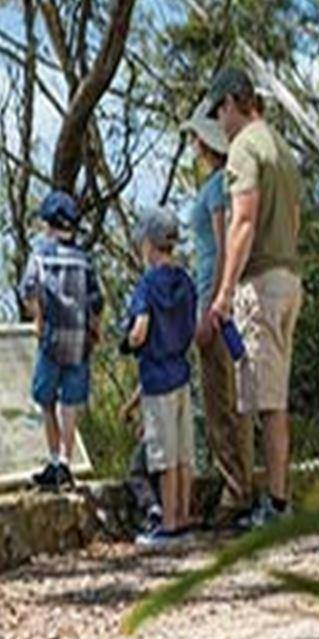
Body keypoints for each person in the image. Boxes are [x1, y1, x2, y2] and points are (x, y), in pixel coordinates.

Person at [201, 65, 303, 525]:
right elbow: (296, 220)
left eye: (218, 113)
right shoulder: (281, 148)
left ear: (229, 104)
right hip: (288, 280)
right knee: (270, 395)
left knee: (265, 404)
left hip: (259, 284)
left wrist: (223, 294)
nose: (218, 125)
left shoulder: (244, 148)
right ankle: (274, 500)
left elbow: (242, 221)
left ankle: (275, 505)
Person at [186, 112, 254, 524]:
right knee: (230, 397)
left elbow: (226, 244)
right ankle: (237, 485)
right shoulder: (221, 184)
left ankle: (235, 489)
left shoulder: (219, 188)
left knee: (221, 399)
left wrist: (214, 305)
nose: (193, 145)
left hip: (216, 301)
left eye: (195, 138)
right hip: (218, 297)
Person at [124, 206, 198, 547]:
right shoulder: (186, 281)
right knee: (183, 455)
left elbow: (140, 330)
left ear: (150, 245)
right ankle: (183, 517)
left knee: (163, 456)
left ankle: (167, 523)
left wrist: (129, 342)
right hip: (182, 374)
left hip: (156, 378)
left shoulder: (147, 285)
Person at [19, 189, 101, 489]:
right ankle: (66, 461)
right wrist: (96, 328)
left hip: (51, 339)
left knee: (46, 399)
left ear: (50, 225)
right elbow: (96, 299)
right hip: (79, 342)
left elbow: (29, 289)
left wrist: (38, 318)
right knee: (71, 402)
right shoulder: (84, 259)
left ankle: (54, 460)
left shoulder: (40, 255)